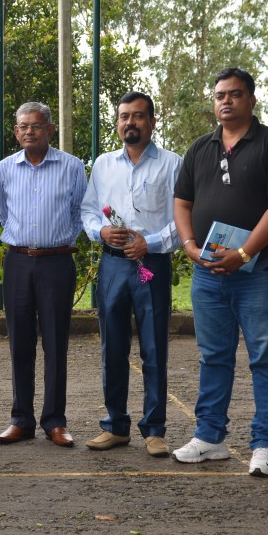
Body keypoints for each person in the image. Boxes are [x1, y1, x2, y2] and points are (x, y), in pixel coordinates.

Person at [172, 67, 268, 476]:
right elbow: (182, 202)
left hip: (259, 272)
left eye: (235, 94)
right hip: (208, 272)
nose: (226, 101)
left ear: (252, 100)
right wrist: (190, 246)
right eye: (220, 95)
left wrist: (243, 253)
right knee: (213, 357)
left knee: (266, 358)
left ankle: (266, 443)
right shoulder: (200, 148)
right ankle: (210, 438)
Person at [81, 92, 183, 458]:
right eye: (124, 116)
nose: (130, 122)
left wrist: (150, 243)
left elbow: (183, 218)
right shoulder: (104, 164)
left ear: (152, 122)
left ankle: (154, 429)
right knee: (112, 347)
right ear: (118, 122)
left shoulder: (172, 164)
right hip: (112, 265)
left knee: (154, 348)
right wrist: (100, 231)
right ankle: (115, 425)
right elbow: (89, 210)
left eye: (138, 116)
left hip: (151, 265)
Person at [0, 102, 86, 448]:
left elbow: (80, 212)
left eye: (36, 126)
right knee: (19, 342)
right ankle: (21, 419)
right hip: (18, 261)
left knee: (55, 342)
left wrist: (57, 241)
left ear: (50, 129)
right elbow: (3, 213)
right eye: (23, 126)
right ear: (16, 131)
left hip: (57, 263)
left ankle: (54, 420)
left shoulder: (72, 166)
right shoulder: (5, 168)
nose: (29, 132)